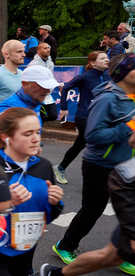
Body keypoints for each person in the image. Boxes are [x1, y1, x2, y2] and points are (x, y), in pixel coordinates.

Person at [41, 130, 135, 276]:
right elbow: (102, 137)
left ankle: (57, 275)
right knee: (97, 224)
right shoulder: (110, 96)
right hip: (109, 173)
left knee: (112, 256)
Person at [50, 54, 135, 271]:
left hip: (126, 163)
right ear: (123, 73)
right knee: (92, 210)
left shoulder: (132, 96)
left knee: (130, 212)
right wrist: (128, 128)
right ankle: (65, 245)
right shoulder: (107, 98)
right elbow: (93, 136)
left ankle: (126, 253)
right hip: (100, 164)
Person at [0, 107, 64, 276]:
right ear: (7, 137)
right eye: (27, 134)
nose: (36, 139)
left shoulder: (44, 166)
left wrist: (55, 203)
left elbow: (47, 216)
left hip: (25, 255)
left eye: (38, 132)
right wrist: (5, 203)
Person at [54, 51, 109, 184]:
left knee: (79, 145)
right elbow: (66, 88)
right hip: (84, 116)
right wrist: (64, 107)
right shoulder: (85, 77)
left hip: (100, 116)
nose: (107, 60)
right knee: (97, 142)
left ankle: (60, 168)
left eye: (107, 57)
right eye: (102, 58)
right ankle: (97, 178)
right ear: (92, 62)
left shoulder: (109, 76)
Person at [0, 65, 57, 149]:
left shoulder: (34, 101)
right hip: (8, 162)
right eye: (42, 86)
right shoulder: (13, 105)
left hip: (25, 161)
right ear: (25, 84)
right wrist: (9, 156)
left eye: (49, 86)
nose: (47, 90)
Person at [27, 41, 59, 122]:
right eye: (45, 48)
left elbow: (50, 77)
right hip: (37, 95)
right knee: (40, 116)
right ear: (38, 51)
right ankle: (38, 128)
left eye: (48, 48)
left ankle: (39, 123)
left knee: (53, 115)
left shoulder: (50, 63)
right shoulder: (33, 64)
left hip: (47, 94)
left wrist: (58, 85)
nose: (48, 50)